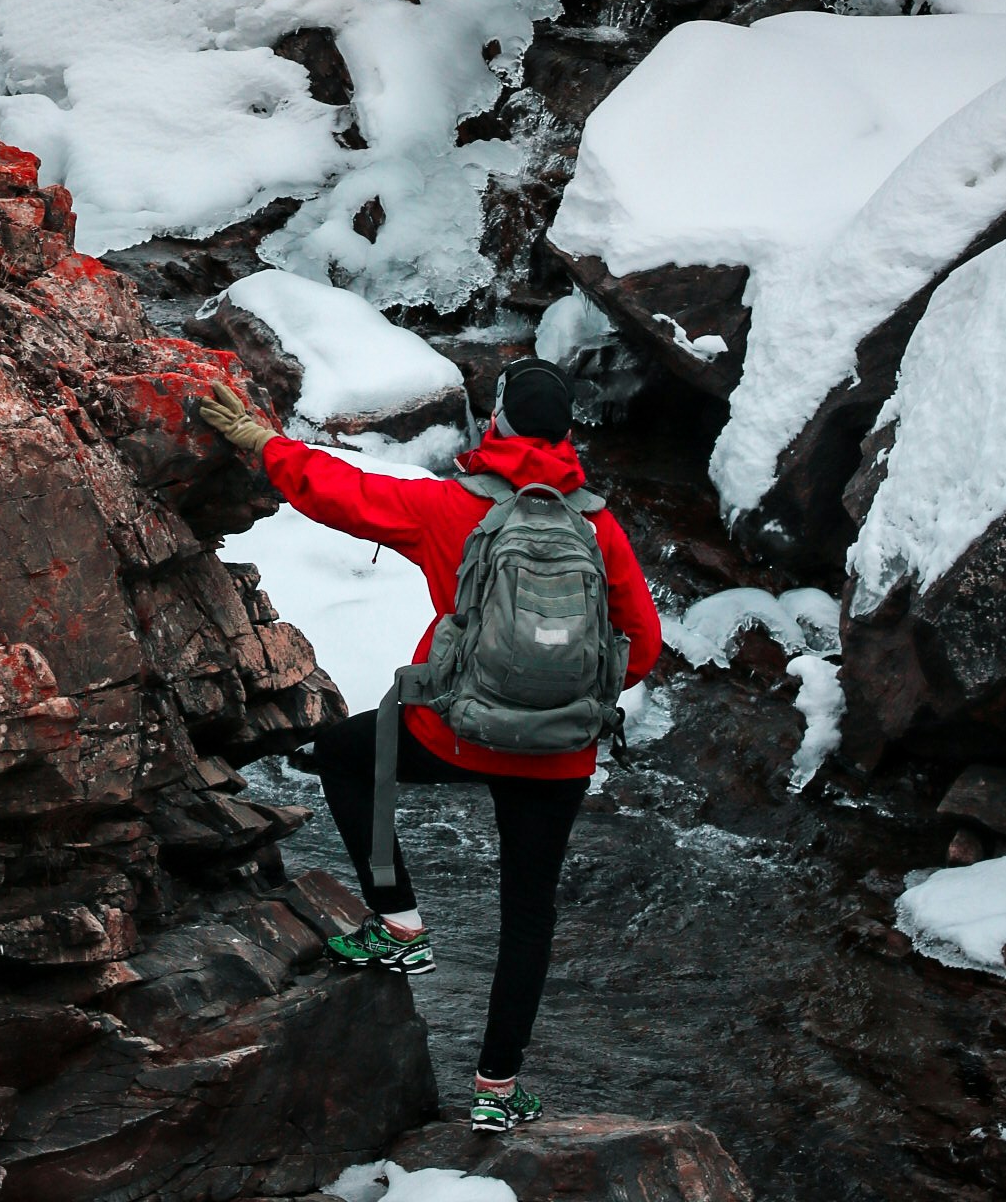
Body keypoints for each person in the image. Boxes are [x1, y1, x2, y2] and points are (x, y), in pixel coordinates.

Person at [199, 356, 661, 1134]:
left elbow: (339, 492)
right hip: (559, 758)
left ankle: (399, 920)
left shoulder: (448, 508)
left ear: (497, 425)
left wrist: (260, 441)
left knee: (346, 755)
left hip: (453, 732)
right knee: (527, 915)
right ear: (569, 434)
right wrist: (560, 700)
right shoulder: (598, 526)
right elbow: (642, 647)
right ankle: (497, 1089)